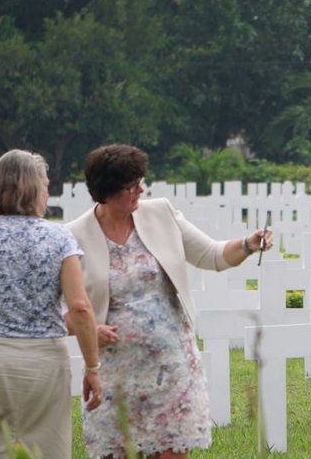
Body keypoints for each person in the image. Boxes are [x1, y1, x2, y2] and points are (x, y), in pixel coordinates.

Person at [66, 143, 272, 459]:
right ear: (106, 192)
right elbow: (56, 310)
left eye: (140, 182)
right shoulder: (74, 235)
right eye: (132, 186)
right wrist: (88, 329)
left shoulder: (160, 213)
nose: (141, 190)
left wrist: (248, 244)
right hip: (113, 369)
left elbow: (212, 255)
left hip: (171, 364)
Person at [0, 149, 103, 459]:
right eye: (45, 185)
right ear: (33, 189)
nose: (47, 192)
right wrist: (92, 367)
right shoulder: (59, 239)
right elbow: (80, 307)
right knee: (47, 451)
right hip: (45, 360)